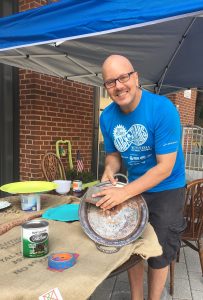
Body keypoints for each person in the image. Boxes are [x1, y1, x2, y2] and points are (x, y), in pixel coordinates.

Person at [94, 54, 186, 300]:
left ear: (135, 77)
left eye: (123, 77)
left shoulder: (162, 109)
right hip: (135, 187)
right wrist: (109, 170)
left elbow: (164, 167)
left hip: (167, 188)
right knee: (132, 248)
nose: (118, 86)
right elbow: (113, 155)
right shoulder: (107, 117)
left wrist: (123, 192)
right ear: (105, 87)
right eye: (110, 82)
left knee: (159, 251)